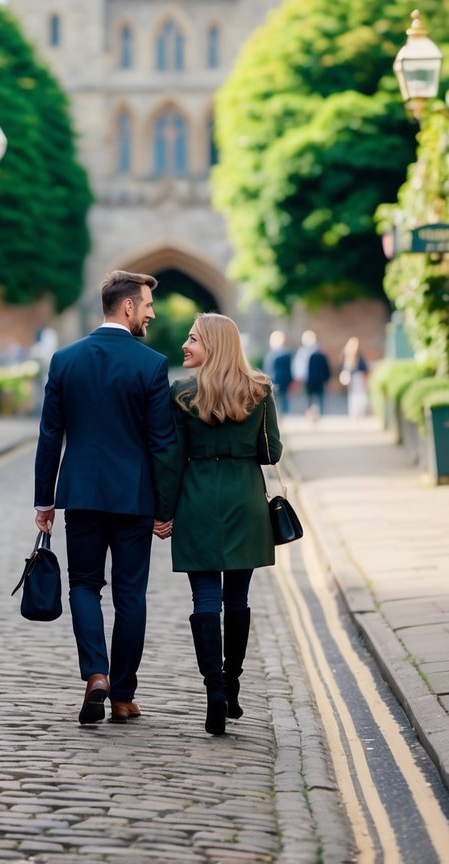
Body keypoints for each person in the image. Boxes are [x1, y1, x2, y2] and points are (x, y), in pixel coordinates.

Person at [33, 270, 177, 727]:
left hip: (81, 496)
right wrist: (165, 505)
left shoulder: (64, 360)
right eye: (148, 305)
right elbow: (162, 444)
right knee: (131, 595)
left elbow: (49, 436)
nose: (151, 313)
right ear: (128, 306)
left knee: (84, 585)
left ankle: (96, 674)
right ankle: (123, 696)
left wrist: (44, 500)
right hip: (133, 498)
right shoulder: (151, 364)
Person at [154, 313, 283, 736]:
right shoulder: (260, 390)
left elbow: (171, 460)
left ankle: (213, 691)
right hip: (245, 498)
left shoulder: (182, 393)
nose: (185, 346)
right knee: (239, 597)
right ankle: (232, 683)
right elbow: (272, 453)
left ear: (214, 344)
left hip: (197, 499)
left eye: (193, 339)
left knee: (205, 598)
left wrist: (164, 511)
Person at [295, 330, 330, 420]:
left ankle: (320, 414)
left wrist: (326, 378)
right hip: (309, 379)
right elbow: (299, 366)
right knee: (310, 398)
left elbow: (325, 366)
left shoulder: (319, 352)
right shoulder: (303, 352)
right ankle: (310, 414)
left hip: (317, 379)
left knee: (319, 396)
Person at [263, 330, 293, 415]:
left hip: (274, 380)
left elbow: (267, 369)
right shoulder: (287, 354)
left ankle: (277, 415)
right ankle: (283, 414)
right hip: (284, 381)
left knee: (274, 399)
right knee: (283, 399)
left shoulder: (271, 355)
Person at [340, 336, 369, 418]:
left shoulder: (345, 353)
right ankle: (359, 413)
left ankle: (353, 413)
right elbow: (364, 367)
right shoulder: (358, 354)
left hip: (351, 377)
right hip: (358, 377)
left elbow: (342, 365)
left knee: (352, 395)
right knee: (360, 395)